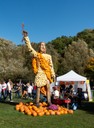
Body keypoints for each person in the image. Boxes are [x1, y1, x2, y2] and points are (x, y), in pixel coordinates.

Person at [22, 30, 55, 106]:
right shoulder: (36, 54)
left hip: (47, 73)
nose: (43, 46)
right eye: (41, 45)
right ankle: (37, 102)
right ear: (39, 47)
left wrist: (53, 73)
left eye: (44, 45)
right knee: (38, 86)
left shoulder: (49, 56)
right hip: (39, 72)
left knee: (48, 86)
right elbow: (29, 48)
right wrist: (26, 37)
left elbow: (51, 66)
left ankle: (49, 102)